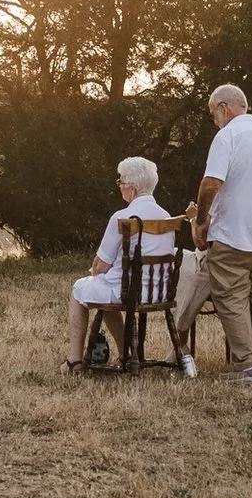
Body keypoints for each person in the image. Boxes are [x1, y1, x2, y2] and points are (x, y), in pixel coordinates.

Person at [189, 83, 252, 383]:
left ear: (224, 108)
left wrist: (201, 221)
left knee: (230, 296)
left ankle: (248, 367)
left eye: (213, 115)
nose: (214, 121)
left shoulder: (228, 136)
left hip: (235, 232)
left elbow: (210, 183)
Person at [61, 157, 176, 373]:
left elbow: (100, 265)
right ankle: (126, 353)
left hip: (128, 291)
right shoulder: (167, 217)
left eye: (121, 182)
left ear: (132, 188)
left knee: (80, 290)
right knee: (105, 293)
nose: (120, 187)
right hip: (158, 292)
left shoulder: (122, 217)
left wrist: (95, 271)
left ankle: (75, 360)